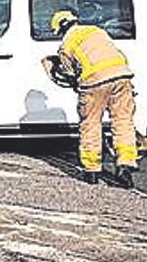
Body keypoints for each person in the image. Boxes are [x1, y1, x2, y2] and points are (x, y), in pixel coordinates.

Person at [42, 10, 137, 188]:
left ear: (60, 29)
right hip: (122, 77)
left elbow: (70, 74)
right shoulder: (96, 31)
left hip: (94, 83)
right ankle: (125, 165)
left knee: (91, 124)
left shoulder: (66, 45)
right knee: (123, 122)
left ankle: (92, 170)